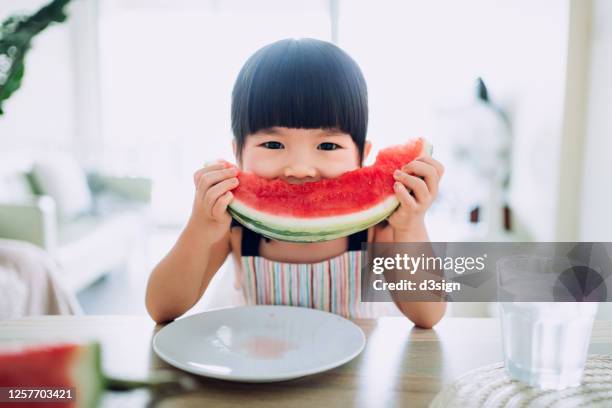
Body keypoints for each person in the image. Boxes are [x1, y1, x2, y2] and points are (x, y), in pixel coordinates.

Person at [146, 38, 446, 328]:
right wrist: (199, 228)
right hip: (260, 374)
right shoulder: (232, 229)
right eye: (274, 145)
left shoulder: (378, 228)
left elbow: (428, 315)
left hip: (350, 377)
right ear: (237, 152)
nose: (300, 168)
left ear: (362, 156)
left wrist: (411, 226)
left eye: (327, 146)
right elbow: (162, 307)